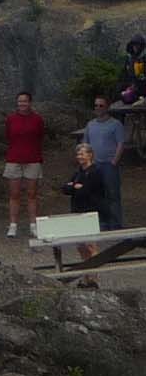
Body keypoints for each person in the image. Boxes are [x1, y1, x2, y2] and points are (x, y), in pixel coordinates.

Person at [4, 90, 45, 237]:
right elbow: (8, 136)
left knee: (32, 194)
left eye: (25, 101)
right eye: (20, 101)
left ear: (30, 103)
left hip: (33, 159)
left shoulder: (37, 119)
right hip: (14, 159)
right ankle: (13, 225)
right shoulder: (11, 119)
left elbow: (40, 136)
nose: (22, 103)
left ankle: (33, 225)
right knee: (14, 194)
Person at [83, 95, 126, 231]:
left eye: (101, 105)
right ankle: (102, 224)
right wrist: (87, 163)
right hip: (94, 166)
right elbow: (85, 144)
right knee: (98, 196)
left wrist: (114, 161)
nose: (98, 108)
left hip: (109, 165)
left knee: (113, 195)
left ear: (107, 107)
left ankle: (116, 225)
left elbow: (121, 143)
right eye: (96, 105)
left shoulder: (115, 124)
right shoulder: (90, 125)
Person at [59, 143, 106, 260]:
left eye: (82, 154)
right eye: (78, 154)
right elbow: (65, 189)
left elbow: (86, 191)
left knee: (91, 245)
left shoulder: (96, 171)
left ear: (90, 155)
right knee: (80, 245)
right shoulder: (77, 173)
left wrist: (74, 187)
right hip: (76, 210)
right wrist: (74, 186)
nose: (79, 156)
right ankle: (86, 269)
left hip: (90, 211)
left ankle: (94, 269)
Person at [120, 35, 146, 103]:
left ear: (142, 46)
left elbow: (142, 77)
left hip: (142, 88)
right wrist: (127, 87)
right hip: (132, 87)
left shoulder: (144, 59)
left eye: (138, 45)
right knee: (124, 97)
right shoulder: (129, 59)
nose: (136, 47)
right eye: (134, 44)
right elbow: (124, 75)